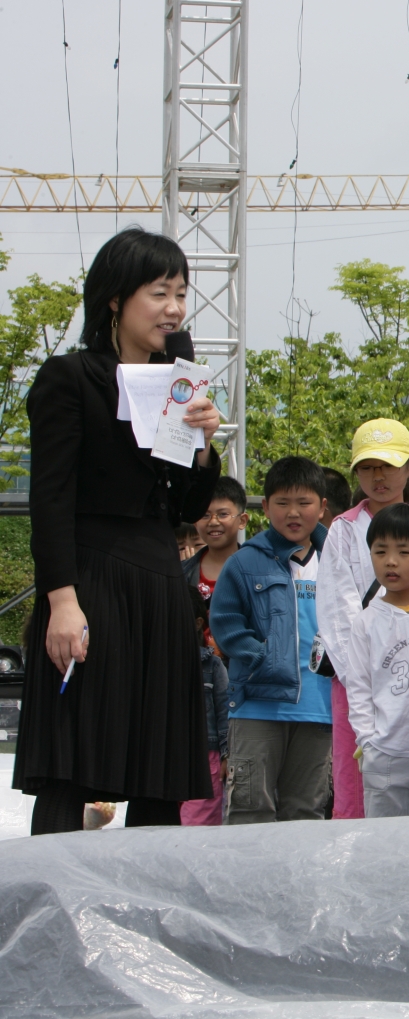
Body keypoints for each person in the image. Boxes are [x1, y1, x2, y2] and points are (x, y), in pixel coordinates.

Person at [15, 227, 222, 834]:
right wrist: (60, 601)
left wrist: (205, 447)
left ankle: (151, 917)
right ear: (115, 298)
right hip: (90, 578)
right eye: (160, 292)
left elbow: (186, 505)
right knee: (72, 759)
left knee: (159, 769)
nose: (175, 309)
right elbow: (50, 499)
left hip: (158, 582)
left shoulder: (175, 384)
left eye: (181, 294)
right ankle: (51, 914)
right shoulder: (69, 379)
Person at [316, 419, 409, 819]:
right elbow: (337, 610)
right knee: (357, 783)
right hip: (359, 672)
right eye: (368, 467)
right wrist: (360, 666)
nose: (378, 476)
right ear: (356, 472)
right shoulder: (341, 530)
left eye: (388, 466)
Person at [209, 456, 333, 824]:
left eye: (304, 503)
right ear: (264, 507)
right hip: (257, 705)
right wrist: (263, 658)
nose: (293, 513)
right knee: (250, 808)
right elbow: (226, 623)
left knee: (306, 811)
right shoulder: (245, 563)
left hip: (319, 707)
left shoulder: (340, 562)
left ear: (322, 507)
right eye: (282, 503)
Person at [346, 503, 409, 817]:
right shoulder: (366, 621)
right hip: (385, 757)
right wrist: (369, 742)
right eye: (380, 551)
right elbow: (358, 685)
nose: (390, 561)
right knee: (384, 846)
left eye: (404, 552)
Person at [179, 586, 230, 826]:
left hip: (205, 757)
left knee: (197, 827)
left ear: (198, 622)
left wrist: (226, 754)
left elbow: (224, 713)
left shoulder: (213, 666)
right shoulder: (153, 662)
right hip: (168, 758)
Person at [182, 476, 248, 599]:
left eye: (223, 514)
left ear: (242, 521)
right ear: (195, 522)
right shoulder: (181, 572)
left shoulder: (258, 571)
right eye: (205, 515)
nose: (213, 522)